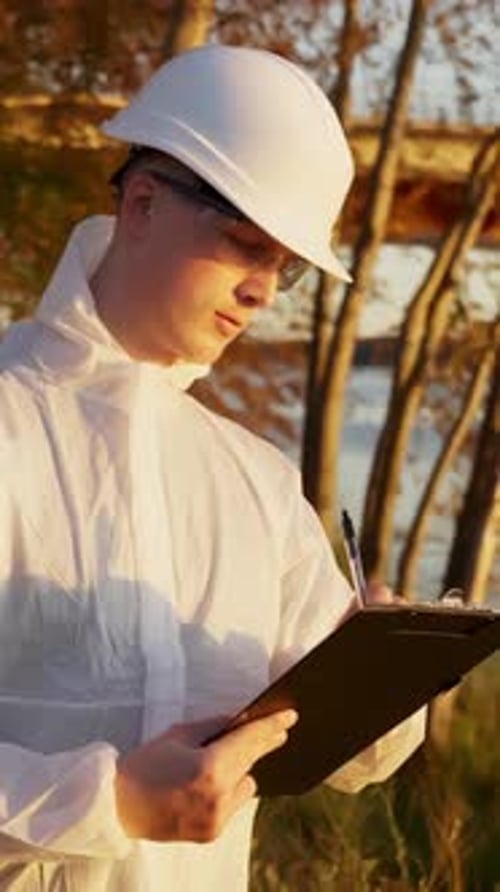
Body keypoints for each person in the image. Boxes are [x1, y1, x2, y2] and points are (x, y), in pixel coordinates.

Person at [0, 45, 426, 891]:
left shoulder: (256, 482)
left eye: (286, 267)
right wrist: (109, 803)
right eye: (244, 244)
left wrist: (381, 674)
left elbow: (352, 758)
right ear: (144, 204)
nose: (266, 289)